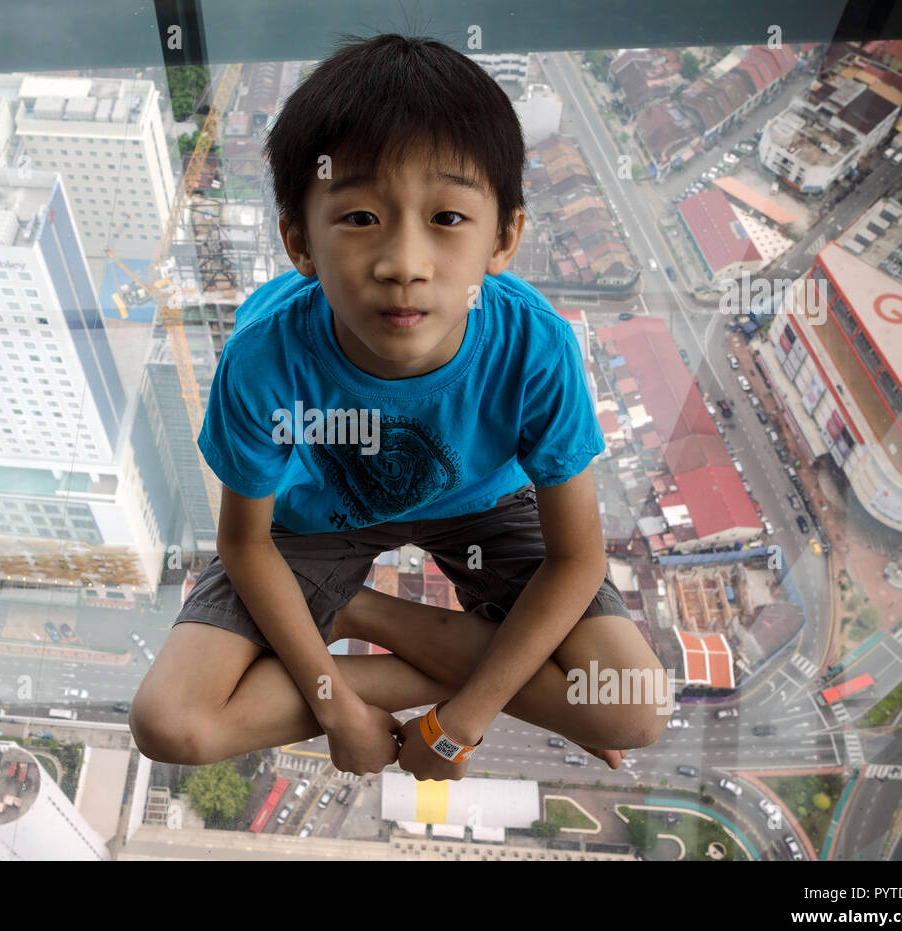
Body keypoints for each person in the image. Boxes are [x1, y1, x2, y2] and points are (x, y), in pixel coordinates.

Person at [130, 33, 669, 782]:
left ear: (504, 236)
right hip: (319, 521)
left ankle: (358, 611)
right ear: (299, 241)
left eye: (447, 218)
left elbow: (579, 558)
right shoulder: (263, 358)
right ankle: (459, 652)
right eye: (358, 218)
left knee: (634, 706)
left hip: (484, 505)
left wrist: (457, 725)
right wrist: (336, 707)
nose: (404, 265)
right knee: (170, 721)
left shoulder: (535, 346)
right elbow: (246, 543)